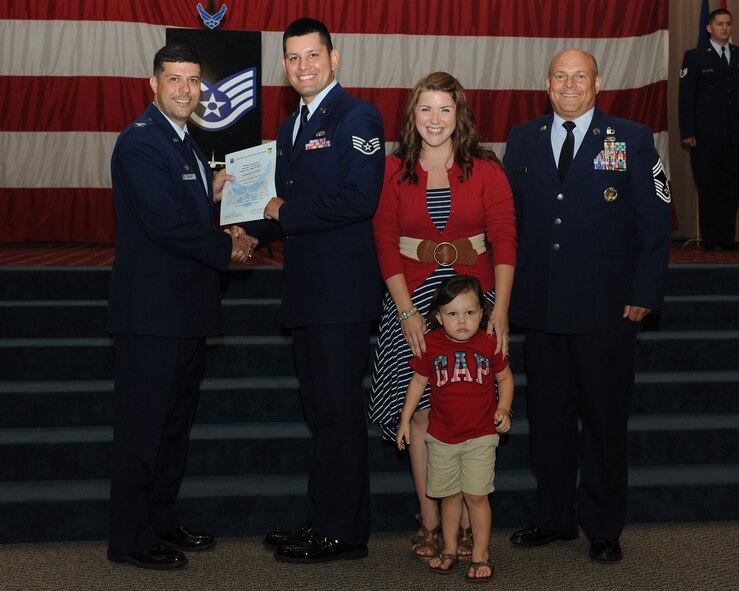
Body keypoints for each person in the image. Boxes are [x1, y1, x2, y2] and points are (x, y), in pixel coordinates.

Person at [503, 49, 672, 562]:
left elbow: (656, 219)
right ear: (547, 83)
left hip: (606, 308)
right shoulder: (523, 139)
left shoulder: (633, 139)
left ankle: (602, 525)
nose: (569, 84)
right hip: (543, 307)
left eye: (579, 76)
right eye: (560, 76)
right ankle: (553, 517)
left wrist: (645, 292)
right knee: (549, 420)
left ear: (598, 82)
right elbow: (510, 221)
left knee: (603, 421)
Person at [107, 43, 257, 570]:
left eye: (193, 81)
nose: (185, 89)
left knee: (172, 428)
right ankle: (130, 537)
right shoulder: (141, 143)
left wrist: (218, 192)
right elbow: (165, 222)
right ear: (153, 83)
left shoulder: (185, 141)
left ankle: (162, 521)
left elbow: (185, 200)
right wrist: (229, 246)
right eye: (174, 79)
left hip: (186, 311)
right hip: (150, 315)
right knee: (143, 429)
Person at [242, 18, 385, 563]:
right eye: (293, 58)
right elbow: (279, 209)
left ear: (334, 58)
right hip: (306, 291)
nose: (304, 66)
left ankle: (344, 533)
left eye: (313, 56)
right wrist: (246, 231)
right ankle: (325, 518)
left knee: (339, 412)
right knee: (321, 411)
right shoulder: (289, 127)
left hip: (340, 294)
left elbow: (359, 200)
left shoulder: (357, 116)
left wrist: (284, 212)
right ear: (284, 64)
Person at [370, 71, 516, 560]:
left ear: (461, 115)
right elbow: (385, 242)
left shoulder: (486, 168)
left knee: (469, 406)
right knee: (425, 411)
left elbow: (505, 239)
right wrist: (407, 311)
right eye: (426, 109)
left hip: (474, 302)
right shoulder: (392, 169)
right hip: (411, 299)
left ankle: (471, 512)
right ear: (413, 115)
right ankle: (430, 519)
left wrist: (501, 312)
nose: (435, 119)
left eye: (445, 109)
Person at [396, 275, 513, 582]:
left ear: (482, 313)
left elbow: (505, 379)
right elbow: (417, 383)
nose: (462, 321)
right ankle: (448, 549)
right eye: (452, 314)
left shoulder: (490, 343)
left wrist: (503, 408)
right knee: (448, 496)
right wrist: (406, 419)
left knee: (476, 497)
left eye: (470, 313)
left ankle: (480, 553)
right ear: (438, 316)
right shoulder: (431, 344)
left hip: (480, 436)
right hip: (441, 437)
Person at [678, 8, 739, 252]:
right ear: (709, 28)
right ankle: (710, 238)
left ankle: (727, 237)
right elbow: (687, 98)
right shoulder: (695, 57)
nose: (725, 28)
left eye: (728, 24)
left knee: (731, 186)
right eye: (720, 24)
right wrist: (688, 131)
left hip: (734, 135)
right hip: (705, 135)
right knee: (708, 185)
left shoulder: (736, 55)